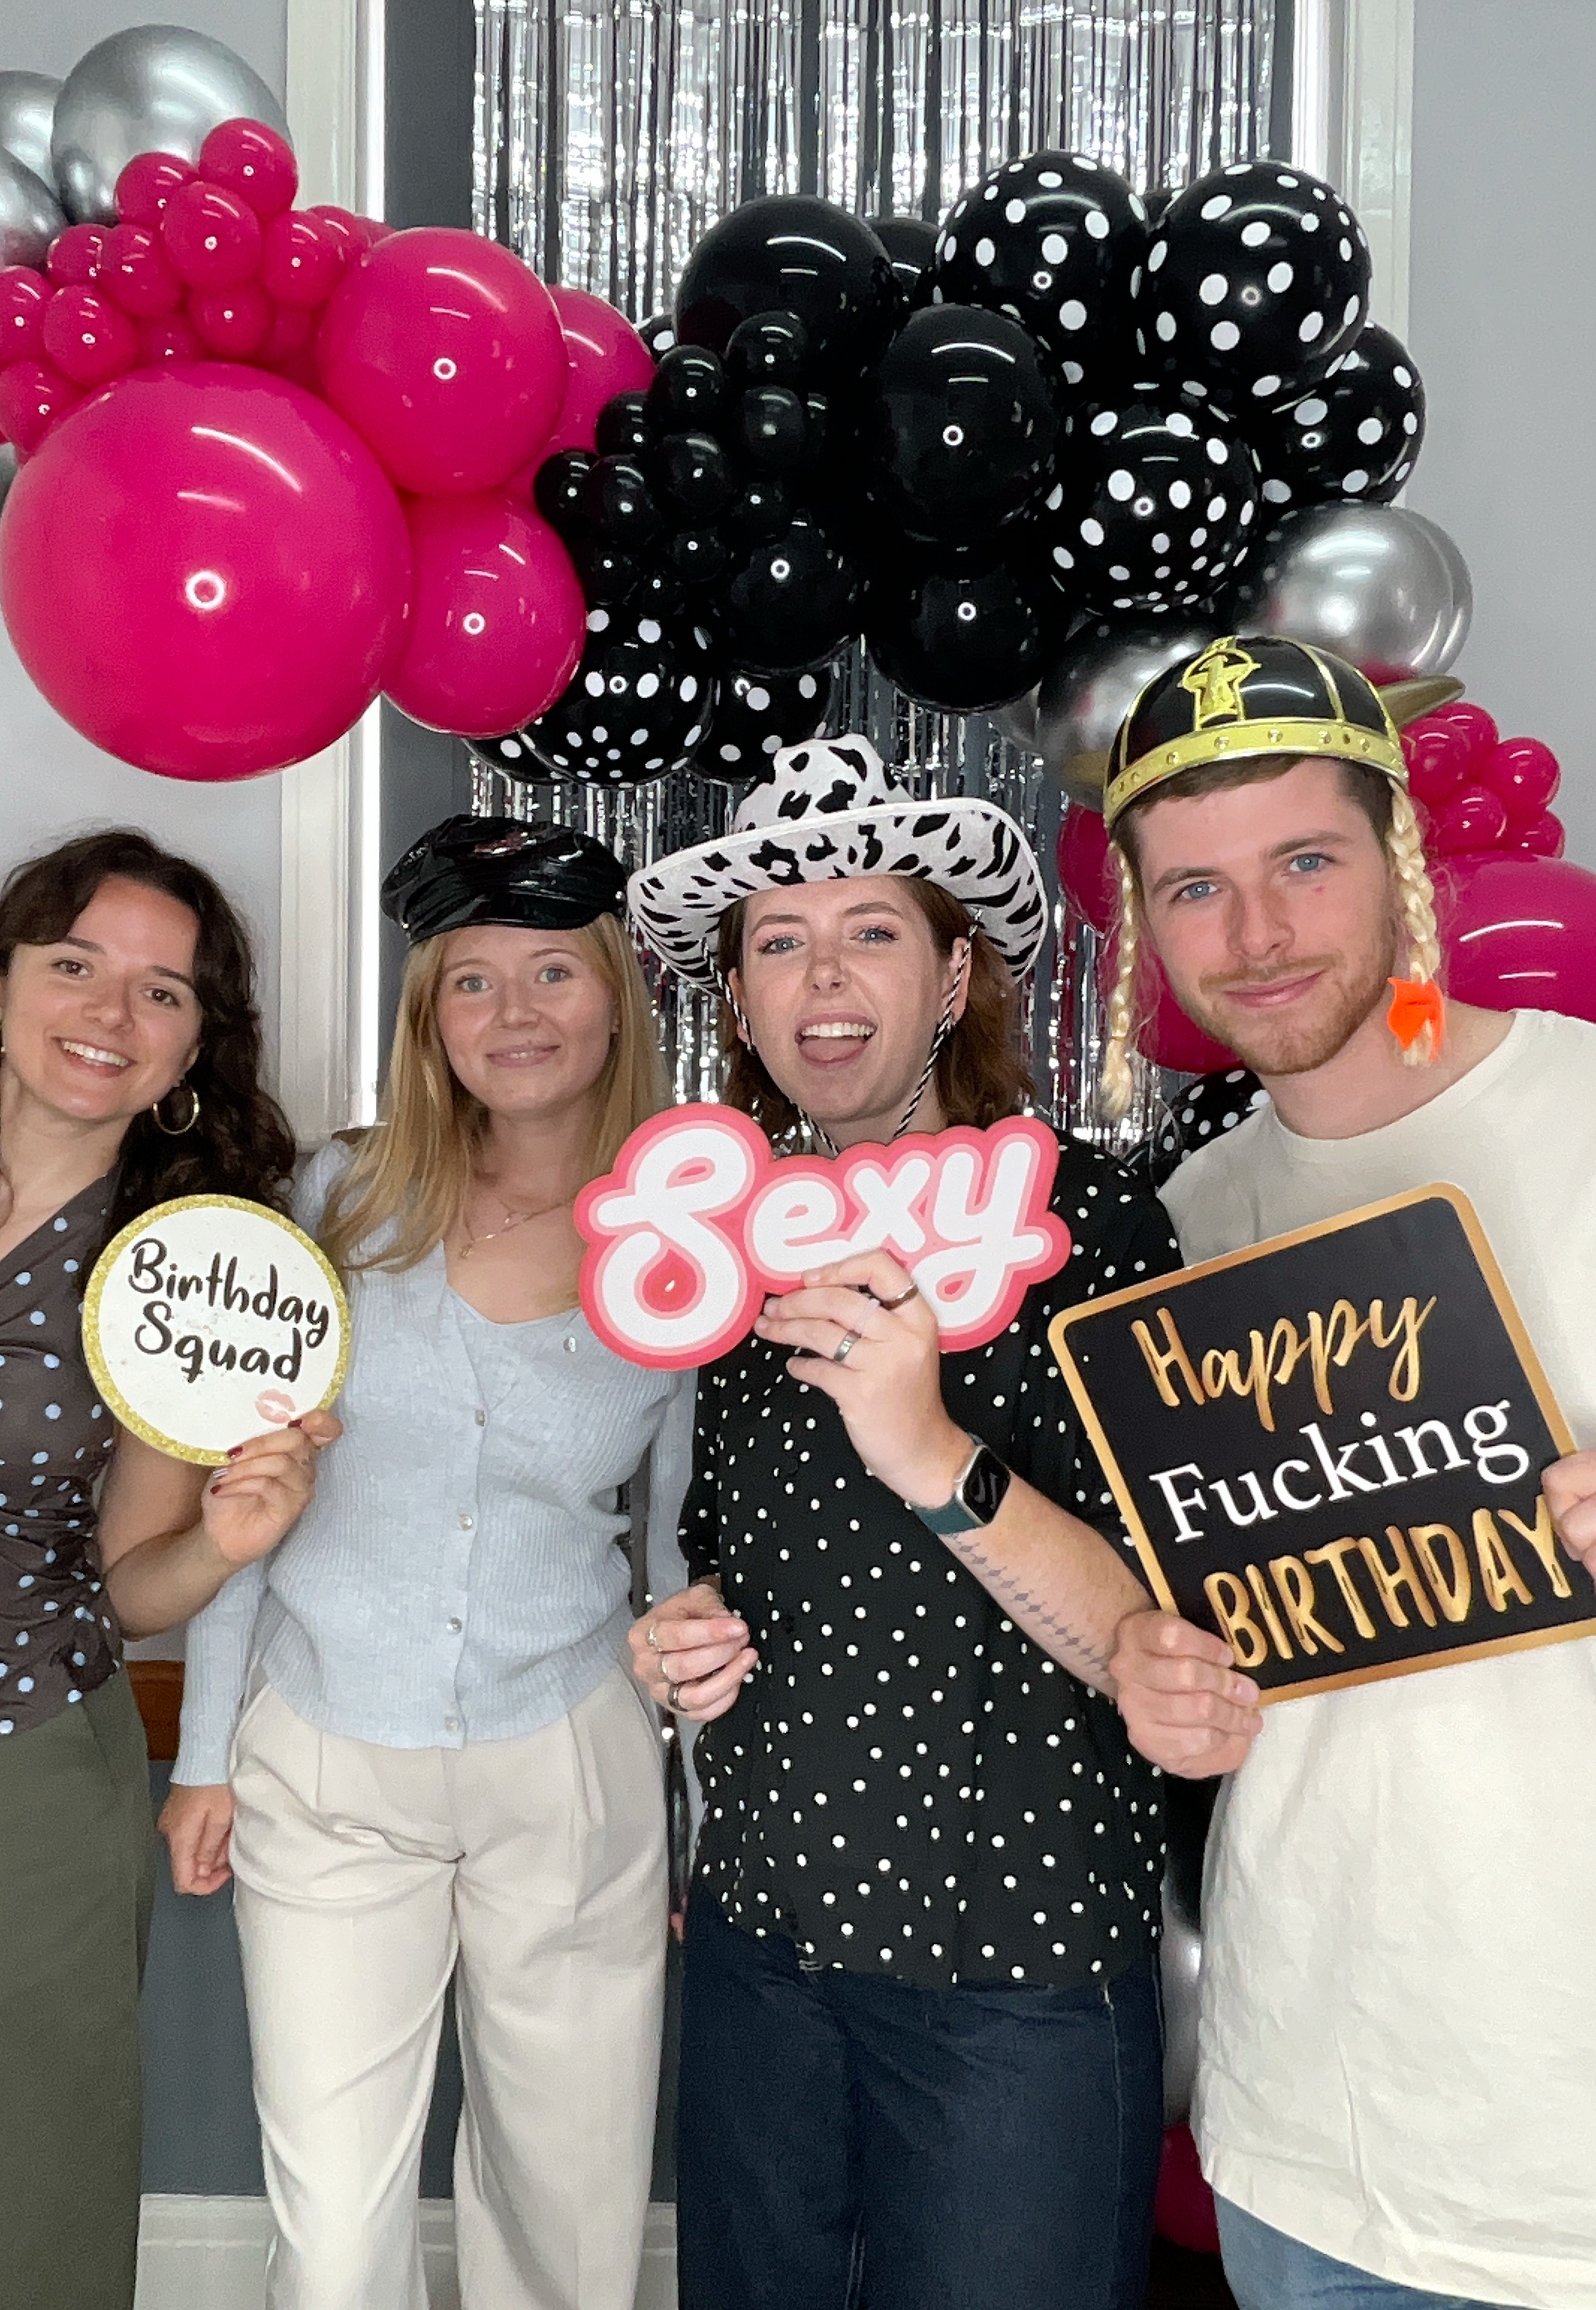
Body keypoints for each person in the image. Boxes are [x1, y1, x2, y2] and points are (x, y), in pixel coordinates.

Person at [623, 736, 1179, 2310]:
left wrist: (928, 1445)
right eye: (779, 942)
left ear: (951, 977)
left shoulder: (1090, 1218)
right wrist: (679, 1642)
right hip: (765, 1941)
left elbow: (1162, 1629)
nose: (823, 973)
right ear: (738, 1000)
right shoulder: (725, 1265)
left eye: (872, 928)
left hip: (1019, 1966)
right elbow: (727, 1553)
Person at [1099, 636, 1596, 2310]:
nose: (1255, 936)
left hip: (1558, 2140)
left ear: (1398, 855)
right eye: (1194, 891)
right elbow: (1223, 1615)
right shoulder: (1195, 1221)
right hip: (1303, 2112)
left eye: (1304, 862)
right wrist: (1160, 1674)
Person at [160, 815, 694, 2310]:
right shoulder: (330, 1204)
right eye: (471, 980)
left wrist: (685, 1803)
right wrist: (204, 1750)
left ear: (613, 998)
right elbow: (245, 1490)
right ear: (426, 1014)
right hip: (325, 1760)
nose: (514, 1015)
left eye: (550, 973)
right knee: (333, 2234)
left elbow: (677, 1550)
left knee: (567, 2212)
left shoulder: (680, 1246)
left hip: (569, 1768)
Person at [0, 830, 334, 2310]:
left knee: (24, 2203)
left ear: (196, 1045)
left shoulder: (177, 1270)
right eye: (75, 963)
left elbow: (130, 1579)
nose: (108, 1010)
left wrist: (226, 1539)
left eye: (162, 991)